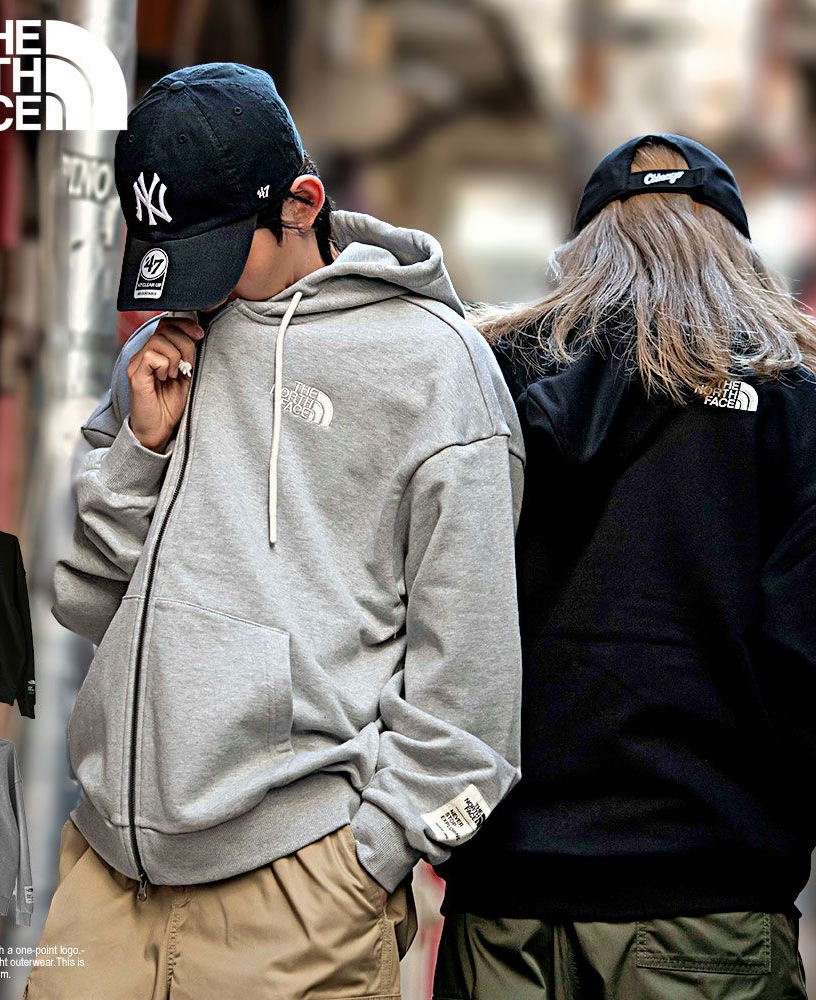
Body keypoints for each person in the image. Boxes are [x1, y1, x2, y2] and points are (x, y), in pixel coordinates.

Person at [35, 63, 525, 999]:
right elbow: (84, 598)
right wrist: (139, 451)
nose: (193, 289)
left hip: (298, 897)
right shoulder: (166, 352)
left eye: (215, 254)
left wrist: (373, 857)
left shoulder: (433, 372)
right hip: (104, 881)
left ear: (302, 204)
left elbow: (473, 688)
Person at [433, 133, 816, 1000]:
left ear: (583, 251)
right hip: (708, 910)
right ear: (736, 254)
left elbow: (424, 606)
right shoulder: (791, 411)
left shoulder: (491, 385)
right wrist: (781, 808)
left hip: (504, 909)